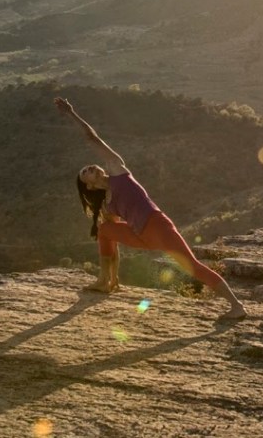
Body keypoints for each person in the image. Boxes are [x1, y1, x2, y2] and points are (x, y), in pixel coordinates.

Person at [54, 96, 247, 321]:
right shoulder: (107, 202)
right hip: (141, 235)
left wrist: (71, 114)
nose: (90, 168)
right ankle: (108, 281)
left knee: (193, 267)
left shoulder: (117, 170)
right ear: (88, 184)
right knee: (105, 229)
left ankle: (237, 306)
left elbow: (92, 138)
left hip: (157, 226)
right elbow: (112, 239)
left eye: (90, 166)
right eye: (85, 171)